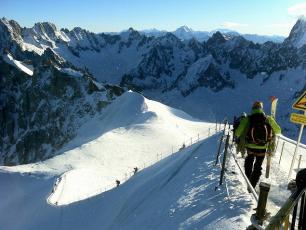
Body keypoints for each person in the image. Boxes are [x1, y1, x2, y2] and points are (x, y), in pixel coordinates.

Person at [235, 101, 281, 189]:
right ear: (261, 108)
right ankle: (252, 186)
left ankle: (248, 180)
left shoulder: (247, 119)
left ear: (252, 108)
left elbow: (237, 133)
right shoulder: (268, 119)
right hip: (263, 147)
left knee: (249, 162)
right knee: (258, 166)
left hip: (250, 146)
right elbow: (278, 131)